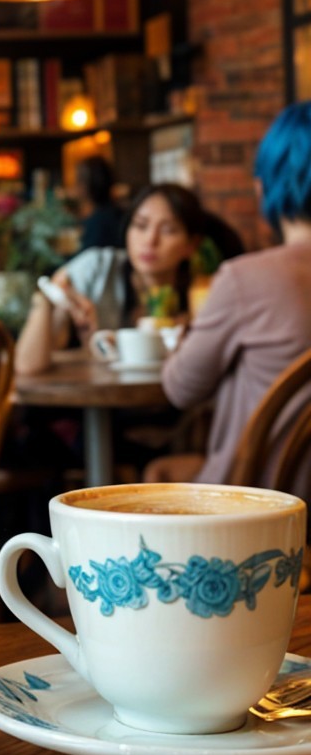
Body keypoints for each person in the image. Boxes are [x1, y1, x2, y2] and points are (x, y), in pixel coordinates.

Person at [147, 103, 311, 497]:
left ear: (263, 187)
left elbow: (181, 388)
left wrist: (187, 333)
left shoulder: (245, 280)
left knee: (155, 476)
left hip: (263, 505)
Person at [16, 183, 214, 375]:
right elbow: (28, 366)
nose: (150, 240)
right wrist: (49, 297)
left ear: (192, 244)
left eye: (168, 230)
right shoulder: (98, 267)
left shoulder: (204, 294)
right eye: (140, 225)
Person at [73, 154, 125, 252]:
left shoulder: (97, 223)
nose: (75, 186)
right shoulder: (119, 213)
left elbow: (84, 260)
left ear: (86, 186)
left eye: (78, 180)